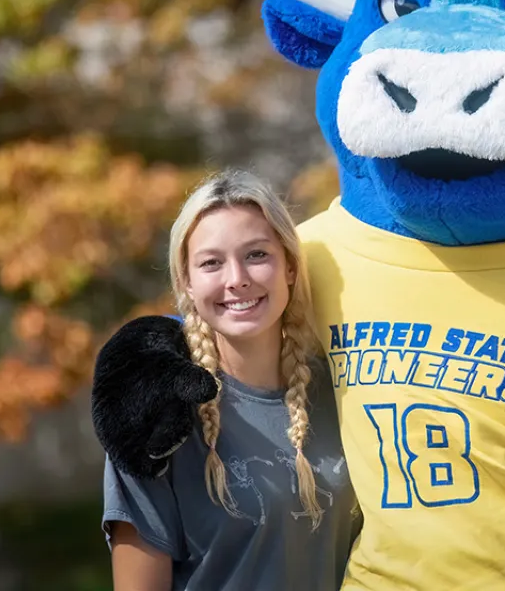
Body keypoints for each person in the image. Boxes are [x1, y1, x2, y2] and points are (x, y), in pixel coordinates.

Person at [99, 168, 357, 590]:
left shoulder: (345, 390)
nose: (237, 279)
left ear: (290, 266)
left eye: (256, 255)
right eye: (211, 263)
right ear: (187, 282)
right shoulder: (156, 415)